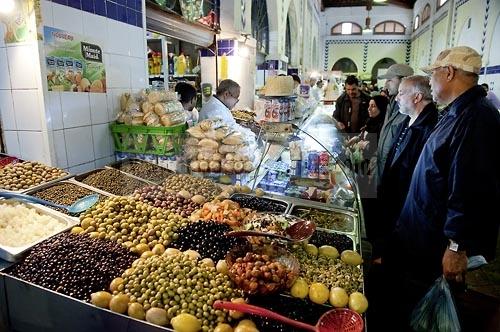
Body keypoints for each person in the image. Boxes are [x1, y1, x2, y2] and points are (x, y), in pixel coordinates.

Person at [380, 46, 500, 330]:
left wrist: (456, 247)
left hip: (433, 241)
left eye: (432, 75)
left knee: (417, 306)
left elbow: (470, 190)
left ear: (449, 73)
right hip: (418, 231)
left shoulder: (477, 118)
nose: (430, 82)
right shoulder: (459, 111)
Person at [371, 75, 438, 261]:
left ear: (417, 97)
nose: (397, 98)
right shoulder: (407, 120)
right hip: (391, 204)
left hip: (406, 212)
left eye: (401, 93)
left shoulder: (430, 129)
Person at [375, 63, 414, 186]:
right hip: (381, 168)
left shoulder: (409, 108)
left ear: (403, 81)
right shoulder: (391, 103)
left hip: (394, 175)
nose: (386, 84)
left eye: (390, 80)